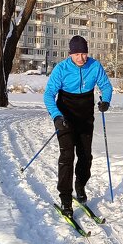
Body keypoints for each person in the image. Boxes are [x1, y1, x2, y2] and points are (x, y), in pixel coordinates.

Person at [42, 35, 113, 219]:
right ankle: (65, 198)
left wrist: (105, 101)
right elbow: (49, 94)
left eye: (83, 53)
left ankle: (80, 184)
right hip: (65, 117)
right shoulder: (62, 69)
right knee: (67, 156)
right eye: (77, 54)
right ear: (70, 54)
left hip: (85, 117)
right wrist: (57, 116)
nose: (81, 58)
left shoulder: (94, 66)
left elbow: (106, 86)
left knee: (85, 156)